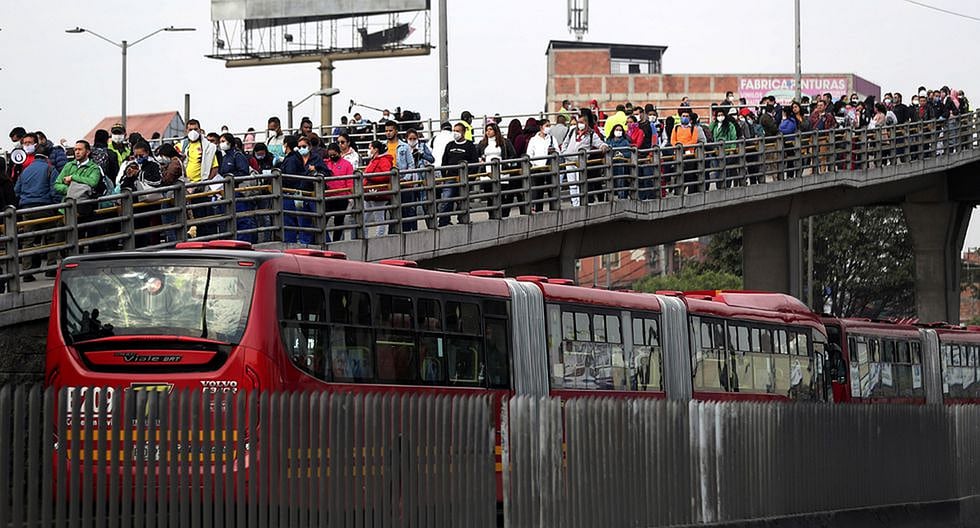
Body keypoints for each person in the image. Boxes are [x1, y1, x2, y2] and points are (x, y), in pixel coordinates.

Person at [14, 142, 58, 280]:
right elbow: (55, 191)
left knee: (28, 240)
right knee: (51, 238)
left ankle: (26, 272)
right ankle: (51, 268)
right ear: (47, 156)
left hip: (27, 208)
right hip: (45, 207)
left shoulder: (26, 170)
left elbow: (17, 190)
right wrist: (56, 206)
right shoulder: (50, 169)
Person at [53, 140, 104, 246]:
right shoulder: (69, 165)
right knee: (60, 241)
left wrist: (73, 178)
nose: (77, 152)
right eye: (75, 149)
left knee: (78, 241)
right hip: (65, 209)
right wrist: (72, 190)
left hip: (82, 209)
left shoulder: (93, 168)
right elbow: (57, 184)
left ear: (88, 152)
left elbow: (93, 182)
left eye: (80, 149)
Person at [281, 135, 328, 245]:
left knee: (318, 220)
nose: (301, 149)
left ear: (310, 147)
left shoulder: (316, 158)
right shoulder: (297, 158)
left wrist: (316, 170)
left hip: (312, 194)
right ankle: (305, 243)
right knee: (303, 221)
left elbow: (327, 172)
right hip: (300, 193)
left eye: (304, 146)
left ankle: (325, 242)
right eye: (299, 147)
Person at [177, 119, 219, 236]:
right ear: (186, 131)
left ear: (200, 130)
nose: (193, 132)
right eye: (190, 129)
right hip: (186, 188)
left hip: (201, 188)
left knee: (205, 217)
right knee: (189, 218)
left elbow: (214, 168)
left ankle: (207, 239)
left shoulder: (208, 147)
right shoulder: (182, 145)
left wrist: (205, 182)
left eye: (195, 129)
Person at [560, 110, 608, 205]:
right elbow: (565, 142)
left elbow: (599, 143)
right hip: (569, 161)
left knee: (580, 183)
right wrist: (564, 152)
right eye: (579, 122)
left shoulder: (591, 134)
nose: (580, 124)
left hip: (580, 162)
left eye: (582, 122)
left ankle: (580, 203)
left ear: (586, 122)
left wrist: (604, 146)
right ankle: (575, 204)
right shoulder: (572, 131)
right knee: (572, 184)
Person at [439, 123, 479, 226]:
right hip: (451, 177)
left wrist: (470, 177)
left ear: (463, 132)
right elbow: (444, 162)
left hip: (464, 178)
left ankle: (463, 219)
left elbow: (475, 163)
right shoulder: (450, 145)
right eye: (454, 130)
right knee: (447, 199)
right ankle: (443, 222)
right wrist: (444, 176)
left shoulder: (470, 146)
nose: (455, 133)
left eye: (458, 131)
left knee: (463, 200)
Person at [477, 122, 519, 216]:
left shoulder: (505, 142)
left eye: (490, 129)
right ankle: (491, 215)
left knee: (502, 195)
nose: (488, 132)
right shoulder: (482, 143)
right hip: (487, 173)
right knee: (490, 196)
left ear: (496, 131)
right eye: (487, 130)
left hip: (502, 172)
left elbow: (513, 155)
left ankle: (503, 214)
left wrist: (507, 164)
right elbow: (478, 155)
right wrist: (480, 161)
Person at [383, 122, 416, 231]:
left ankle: (406, 233)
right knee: (391, 211)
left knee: (405, 210)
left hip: (403, 182)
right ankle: (392, 233)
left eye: (390, 130)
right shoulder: (383, 146)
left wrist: (406, 178)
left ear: (396, 131)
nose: (388, 133)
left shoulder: (404, 146)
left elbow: (411, 164)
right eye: (386, 131)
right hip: (389, 184)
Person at [362, 140, 394, 237]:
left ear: (375, 149)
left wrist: (371, 177)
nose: (369, 150)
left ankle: (379, 237)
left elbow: (386, 175)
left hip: (377, 192)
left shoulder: (383, 160)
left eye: (370, 148)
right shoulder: (375, 160)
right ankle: (365, 236)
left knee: (378, 217)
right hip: (370, 192)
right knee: (365, 217)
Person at [323, 142, 354, 242]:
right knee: (323, 220)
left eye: (334, 154)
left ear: (338, 153)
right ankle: (325, 240)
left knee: (339, 221)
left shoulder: (347, 164)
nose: (332, 156)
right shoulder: (325, 164)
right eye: (330, 155)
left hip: (341, 197)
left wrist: (350, 196)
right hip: (328, 197)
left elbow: (350, 181)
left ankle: (337, 242)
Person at [405, 128, 435, 228]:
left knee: (425, 205)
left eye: (414, 138)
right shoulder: (404, 148)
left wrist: (422, 154)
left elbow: (432, 159)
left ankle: (431, 227)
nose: (412, 141)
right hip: (410, 181)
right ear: (406, 139)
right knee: (411, 208)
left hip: (422, 180)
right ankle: (414, 229)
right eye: (410, 139)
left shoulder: (422, 146)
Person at [526, 118, 559, 210]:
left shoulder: (552, 138)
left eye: (549, 126)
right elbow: (529, 153)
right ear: (541, 127)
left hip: (550, 168)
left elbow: (558, 152)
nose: (549, 128)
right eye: (547, 126)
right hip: (538, 168)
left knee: (551, 189)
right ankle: (538, 210)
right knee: (538, 191)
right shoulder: (533, 140)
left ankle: (553, 209)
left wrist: (553, 151)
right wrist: (534, 164)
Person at [155, 143, 185, 243]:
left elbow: (167, 179)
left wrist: (161, 175)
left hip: (171, 195)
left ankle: (173, 243)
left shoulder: (174, 163)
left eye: (162, 155)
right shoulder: (177, 161)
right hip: (174, 195)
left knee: (168, 221)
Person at [606, 123, 632, 198]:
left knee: (621, 180)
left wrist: (622, 154)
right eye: (617, 130)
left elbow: (629, 152)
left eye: (620, 130)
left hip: (622, 165)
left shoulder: (625, 141)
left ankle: (622, 196)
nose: (618, 131)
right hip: (611, 164)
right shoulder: (609, 141)